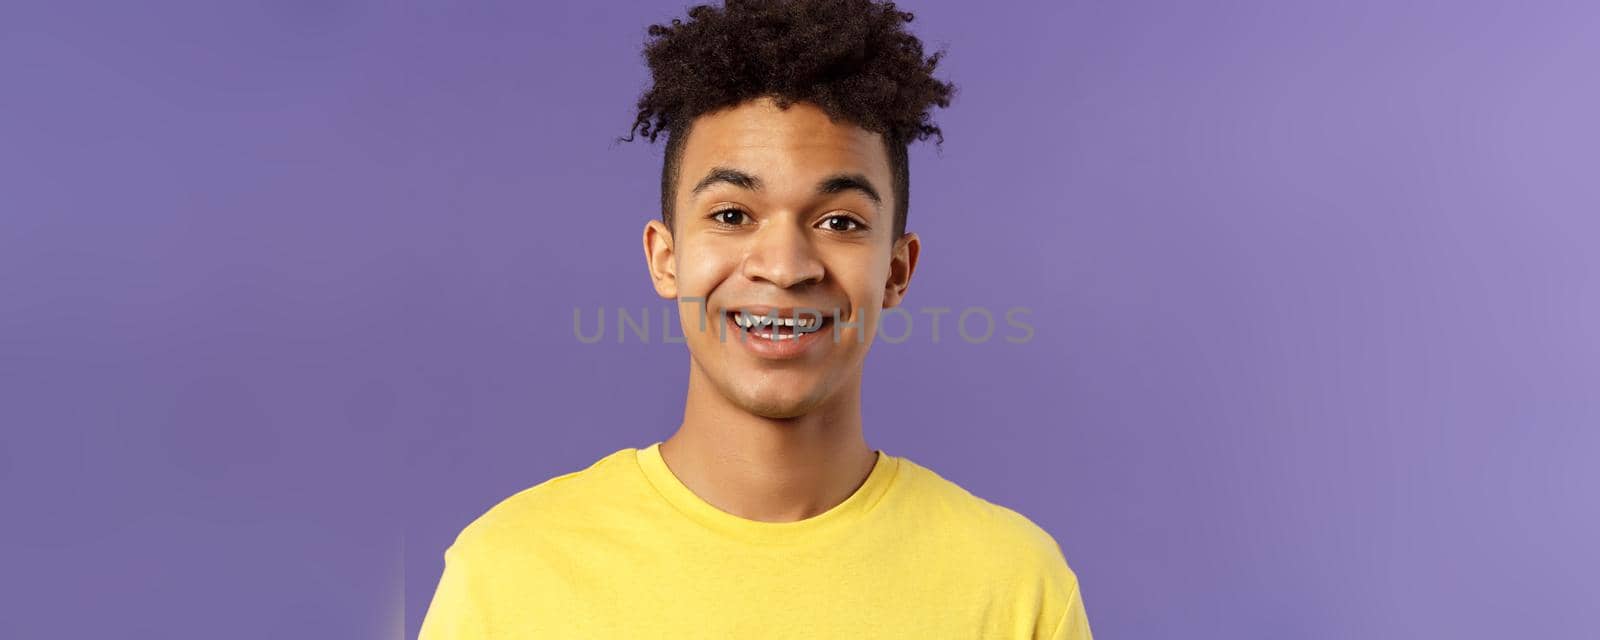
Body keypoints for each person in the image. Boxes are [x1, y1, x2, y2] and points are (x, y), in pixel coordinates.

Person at [418, 1, 1092, 637]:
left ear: (896, 271)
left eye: (839, 222)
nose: (785, 265)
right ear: (666, 258)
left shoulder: (1014, 587)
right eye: (733, 215)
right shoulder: (510, 576)